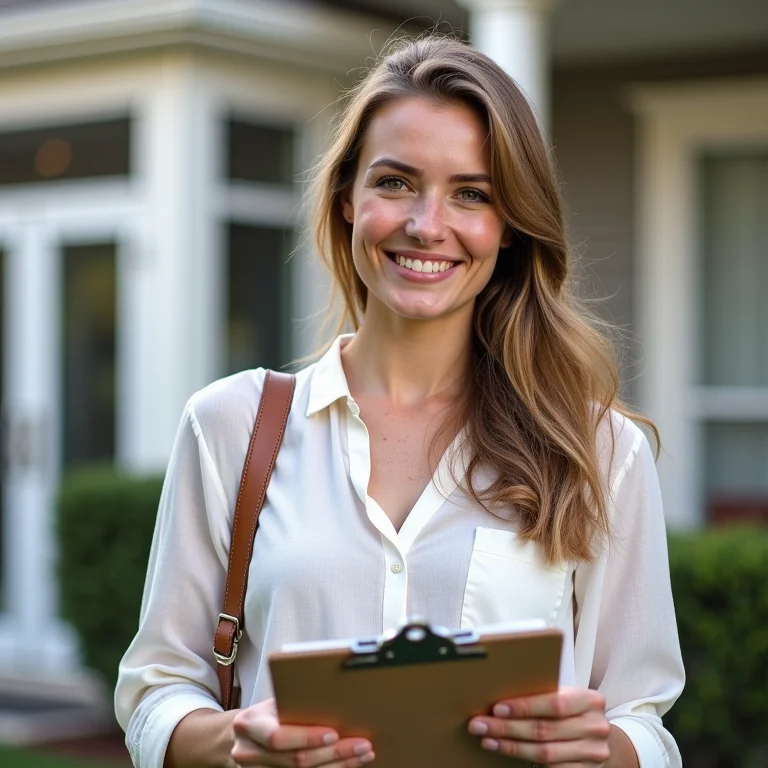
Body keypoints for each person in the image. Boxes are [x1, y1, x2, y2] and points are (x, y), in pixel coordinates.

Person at [115, 35, 685, 768]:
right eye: (396, 182)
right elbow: (157, 691)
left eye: (472, 193)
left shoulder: (599, 452)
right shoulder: (230, 427)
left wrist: (604, 747)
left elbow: (645, 721)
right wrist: (235, 743)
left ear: (510, 226)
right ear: (348, 196)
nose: (426, 224)